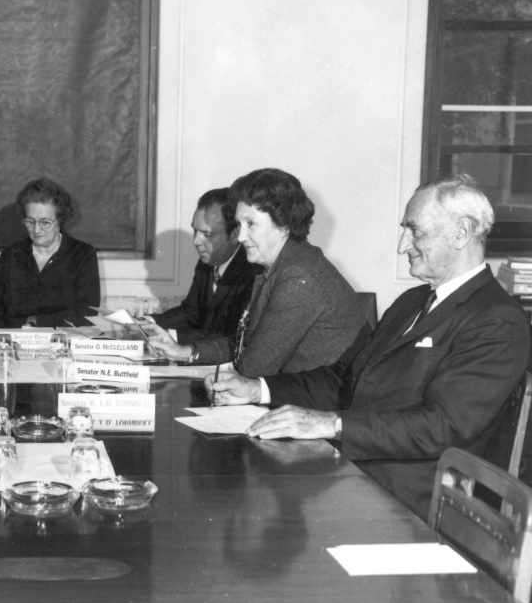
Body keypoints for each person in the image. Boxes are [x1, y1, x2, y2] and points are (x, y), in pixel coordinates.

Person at [208, 174, 530, 518]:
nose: (402, 245)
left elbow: (443, 427)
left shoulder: (496, 319)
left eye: (415, 231)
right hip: (357, 471)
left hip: (410, 499)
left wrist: (332, 424)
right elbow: (345, 378)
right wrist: (257, 389)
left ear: (462, 233)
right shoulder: (410, 301)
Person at [147, 168, 367, 377]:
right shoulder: (284, 265)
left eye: (251, 224)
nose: (241, 236)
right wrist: (183, 352)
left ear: (283, 225)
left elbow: (254, 367)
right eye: (239, 224)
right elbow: (244, 344)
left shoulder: (297, 276)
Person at [0, 177, 100, 328]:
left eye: (45, 222)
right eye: (30, 222)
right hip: (14, 339)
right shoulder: (11, 255)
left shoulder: (82, 255)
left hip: (64, 339)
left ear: (60, 221)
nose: (36, 230)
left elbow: (87, 313)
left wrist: (34, 322)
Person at [146, 188, 263, 344]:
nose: (196, 241)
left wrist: (167, 337)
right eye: (194, 230)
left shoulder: (254, 273)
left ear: (235, 234)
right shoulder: (206, 262)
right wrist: (146, 323)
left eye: (206, 234)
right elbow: (190, 313)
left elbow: (228, 336)